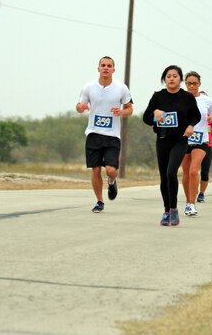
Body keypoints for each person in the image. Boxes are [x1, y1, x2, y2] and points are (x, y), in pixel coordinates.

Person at [142, 66, 201, 227]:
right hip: (162, 139)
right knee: (163, 177)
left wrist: (191, 125)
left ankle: (174, 209)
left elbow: (196, 115)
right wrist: (155, 116)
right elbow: (146, 118)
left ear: (180, 79)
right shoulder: (158, 97)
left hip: (180, 140)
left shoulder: (187, 98)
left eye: (175, 76)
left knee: (170, 173)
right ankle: (166, 211)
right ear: (164, 79)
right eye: (168, 76)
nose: (172, 78)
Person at [75, 56, 133, 213]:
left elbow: (130, 108)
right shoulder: (89, 87)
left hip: (112, 135)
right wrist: (81, 107)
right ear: (98, 68)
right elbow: (79, 106)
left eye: (109, 66)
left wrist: (122, 111)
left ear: (114, 69)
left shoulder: (121, 88)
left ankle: (112, 181)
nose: (106, 68)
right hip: (93, 133)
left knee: (110, 170)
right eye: (103, 65)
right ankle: (99, 201)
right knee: (95, 170)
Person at [181, 72, 212, 216]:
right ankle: (187, 200)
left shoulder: (207, 100)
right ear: (185, 84)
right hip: (184, 140)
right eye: (189, 83)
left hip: (201, 140)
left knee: (193, 170)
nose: (191, 86)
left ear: (199, 84)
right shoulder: (180, 99)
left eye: (194, 83)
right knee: (185, 173)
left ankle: (192, 203)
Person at [196, 106, 212, 203]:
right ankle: (193, 190)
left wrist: (208, 135)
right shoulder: (192, 115)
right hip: (193, 146)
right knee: (193, 171)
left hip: (207, 147)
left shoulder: (210, 117)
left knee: (204, 173)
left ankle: (201, 193)